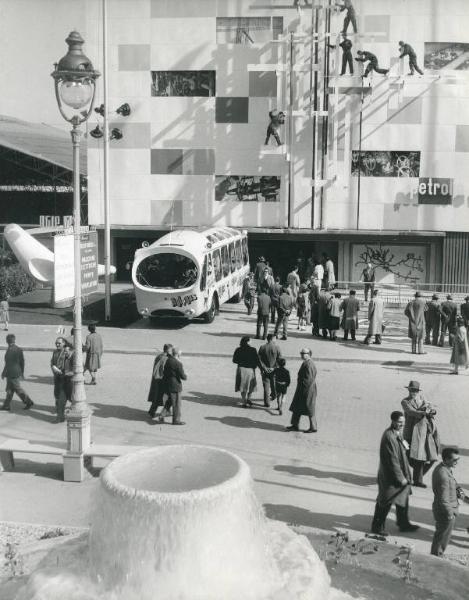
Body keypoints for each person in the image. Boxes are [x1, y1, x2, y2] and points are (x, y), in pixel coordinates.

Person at [371, 411, 419, 536]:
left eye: (403, 422)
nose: (401, 424)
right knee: (385, 501)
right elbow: (392, 460)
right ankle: (377, 527)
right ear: (392, 421)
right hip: (390, 476)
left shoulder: (397, 433)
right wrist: (401, 478)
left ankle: (403, 524)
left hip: (400, 474)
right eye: (399, 422)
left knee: (403, 499)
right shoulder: (388, 436)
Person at [401, 381, 439, 488]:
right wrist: (424, 412)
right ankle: (410, 476)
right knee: (408, 456)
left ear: (418, 391)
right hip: (409, 433)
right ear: (408, 390)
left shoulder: (422, 398)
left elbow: (431, 406)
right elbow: (411, 412)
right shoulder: (405, 401)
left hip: (423, 433)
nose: (413, 392)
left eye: (415, 390)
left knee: (428, 457)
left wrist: (432, 411)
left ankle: (417, 479)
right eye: (411, 390)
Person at [431, 448, 464, 557]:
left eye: (457, 459)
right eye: (454, 460)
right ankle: (436, 556)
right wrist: (450, 514)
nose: (457, 462)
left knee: (443, 536)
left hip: (446, 509)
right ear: (446, 459)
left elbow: (452, 484)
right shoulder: (443, 475)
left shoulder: (446, 469)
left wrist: (460, 492)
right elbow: (443, 498)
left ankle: (438, 554)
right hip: (445, 512)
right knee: (441, 537)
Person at [287, 348, 318, 433]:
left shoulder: (309, 364)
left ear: (308, 354)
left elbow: (308, 379)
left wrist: (303, 390)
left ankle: (313, 427)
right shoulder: (306, 363)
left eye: (303, 353)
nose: (301, 355)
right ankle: (295, 425)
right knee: (297, 407)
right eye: (301, 353)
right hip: (303, 389)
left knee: (309, 408)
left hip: (307, 390)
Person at [1, 334, 33, 411]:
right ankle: (6, 405)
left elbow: (19, 362)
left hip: (13, 373)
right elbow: (19, 362)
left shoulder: (14, 349)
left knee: (17, 389)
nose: (10, 342)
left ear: (7, 341)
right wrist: (4, 372)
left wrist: (21, 373)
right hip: (11, 372)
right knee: (9, 389)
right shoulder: (15, 349)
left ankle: (29, 402)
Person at [160, 347, 187, 425]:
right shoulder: (178, 364)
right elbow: (183, 377)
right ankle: (176, 420)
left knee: (170, 402)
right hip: (175, 386)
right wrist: (186, 376)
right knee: (176, 404)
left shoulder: (168, 360)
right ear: (178, 354)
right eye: (180, 354)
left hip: (168, 384)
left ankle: (162, 415)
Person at [233, 336, 259, 408]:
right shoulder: (253, 350)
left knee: (243, 386)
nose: (251, 342)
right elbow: (257, 360)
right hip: (250, 370)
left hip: (241, 369)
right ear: (247, 342)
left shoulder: (238, 349)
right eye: (250, 341)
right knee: (251, 385)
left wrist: (241, 361)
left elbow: (234, 360)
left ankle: (244, 401)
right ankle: (249, 398)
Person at [147, 343, 172, 418]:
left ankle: (166, 411)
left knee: (159, 397)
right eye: (171, 350)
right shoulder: (165, 358)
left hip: (157, 380)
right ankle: (152, 411)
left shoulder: (159, 356)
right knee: (161, 397)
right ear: (168, 350)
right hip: (161, 380)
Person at [258, 333, 282, 408]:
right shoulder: (277, 347)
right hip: (274, 370)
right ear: (272, 339)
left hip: (265, 370)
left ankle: (267, 402)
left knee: (266, 386)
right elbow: (280, 360)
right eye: (275, 338)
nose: (276, 340)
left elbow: (259, 360)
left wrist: (264, 368)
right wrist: (274, 367)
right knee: (274, 384)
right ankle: (274, 395)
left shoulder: (262, 347)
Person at [51, 337, 67, 422]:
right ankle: (61, 415)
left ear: (64, 343)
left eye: (59, 343)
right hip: (57, 377)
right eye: (56, 343)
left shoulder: (66, 352)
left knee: (61, 398)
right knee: (57, 396)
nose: (57, 344)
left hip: (65, 379)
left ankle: (59, 416)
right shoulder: (55, 352)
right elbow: (52, 362)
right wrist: (54, 368)